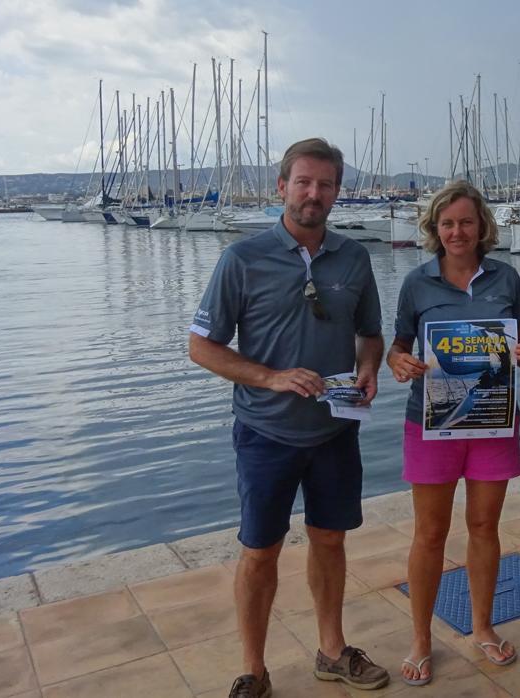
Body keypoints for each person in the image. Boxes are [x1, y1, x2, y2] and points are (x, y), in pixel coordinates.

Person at [189, 138, 389, 698]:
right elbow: (202, 347)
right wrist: (271, 377)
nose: (313, 194)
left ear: (337, 192)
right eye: (303, 182)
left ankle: (332, 651)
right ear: (282, 187)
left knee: (330, 541)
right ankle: (253, 670)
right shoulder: (242, 259)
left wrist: (369, 370)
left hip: (334, 432)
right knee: (260, 551)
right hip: (265, 434)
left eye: (325, 184)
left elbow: (369, 334)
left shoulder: (354, 257)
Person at [387, 180, 520, 686]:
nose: (457, 231)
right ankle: (421, 639)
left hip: (493, 422)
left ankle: (482, 627)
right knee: (429, 534)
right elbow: (398, 347)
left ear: (482, 228)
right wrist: (400, 363)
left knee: (483, 527)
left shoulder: (506, 278)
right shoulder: (416, 283)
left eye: (466, 223)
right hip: (429, 424)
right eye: (447, 223)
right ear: (435, 229)